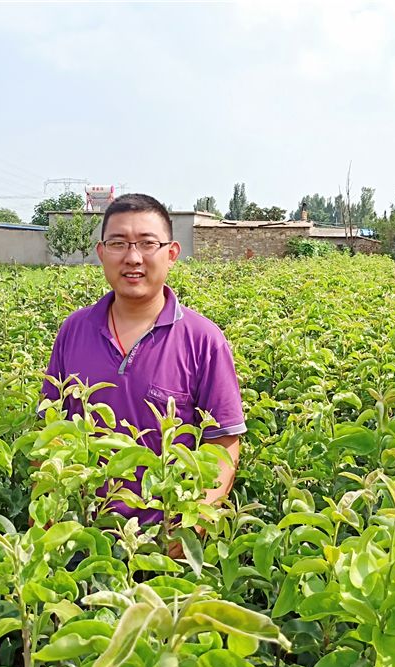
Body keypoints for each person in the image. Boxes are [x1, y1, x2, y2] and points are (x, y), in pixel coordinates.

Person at [40, 193, 246, 531]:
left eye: (147, 244)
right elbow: (53, 430)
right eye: (118, 244)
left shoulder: (204, 340)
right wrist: (47, 516)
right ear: (101, 253)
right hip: (80, 535)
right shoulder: (73, 331)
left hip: (165, 539)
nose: (133, 257)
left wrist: (191, 526)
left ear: (172, 254)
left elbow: (223, 443)